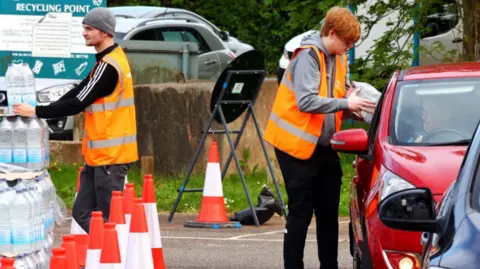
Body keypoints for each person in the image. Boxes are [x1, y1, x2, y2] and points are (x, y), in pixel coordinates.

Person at [263, 6, 376, 269]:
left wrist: (358, 108)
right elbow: (306, 101)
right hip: (295, 148)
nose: (348, 48)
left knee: (328, 214)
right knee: (300, 213)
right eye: (347, 42)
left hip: (323, 146)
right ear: (332, 34)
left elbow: (340, 98)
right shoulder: (308, 57)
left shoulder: (339, 58)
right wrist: (346, 104)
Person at [13, 7, 139, 232]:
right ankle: (107, 256)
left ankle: (115, 259)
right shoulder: (106, 62)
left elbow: (77, 103)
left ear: (105, 32)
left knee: (110, 220)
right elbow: (79, 91)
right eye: (84, 28)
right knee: (82, 213)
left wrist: (36, 112)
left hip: (111, 158)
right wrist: (42, 107)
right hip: (99, 158)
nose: (84, 33)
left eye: (89, 28)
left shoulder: (109, 67)